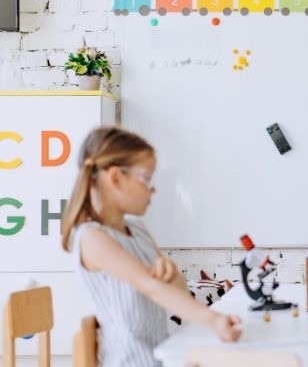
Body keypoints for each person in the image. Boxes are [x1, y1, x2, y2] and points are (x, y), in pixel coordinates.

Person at [62, 127, 241, 366]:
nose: (153, 189)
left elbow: (176, 292)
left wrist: (171, 273)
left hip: (158, 354)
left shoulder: (137, 230)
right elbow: (151, 287)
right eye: (146, 178)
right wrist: (213, 320)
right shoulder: (93, 238)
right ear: (115, 178)